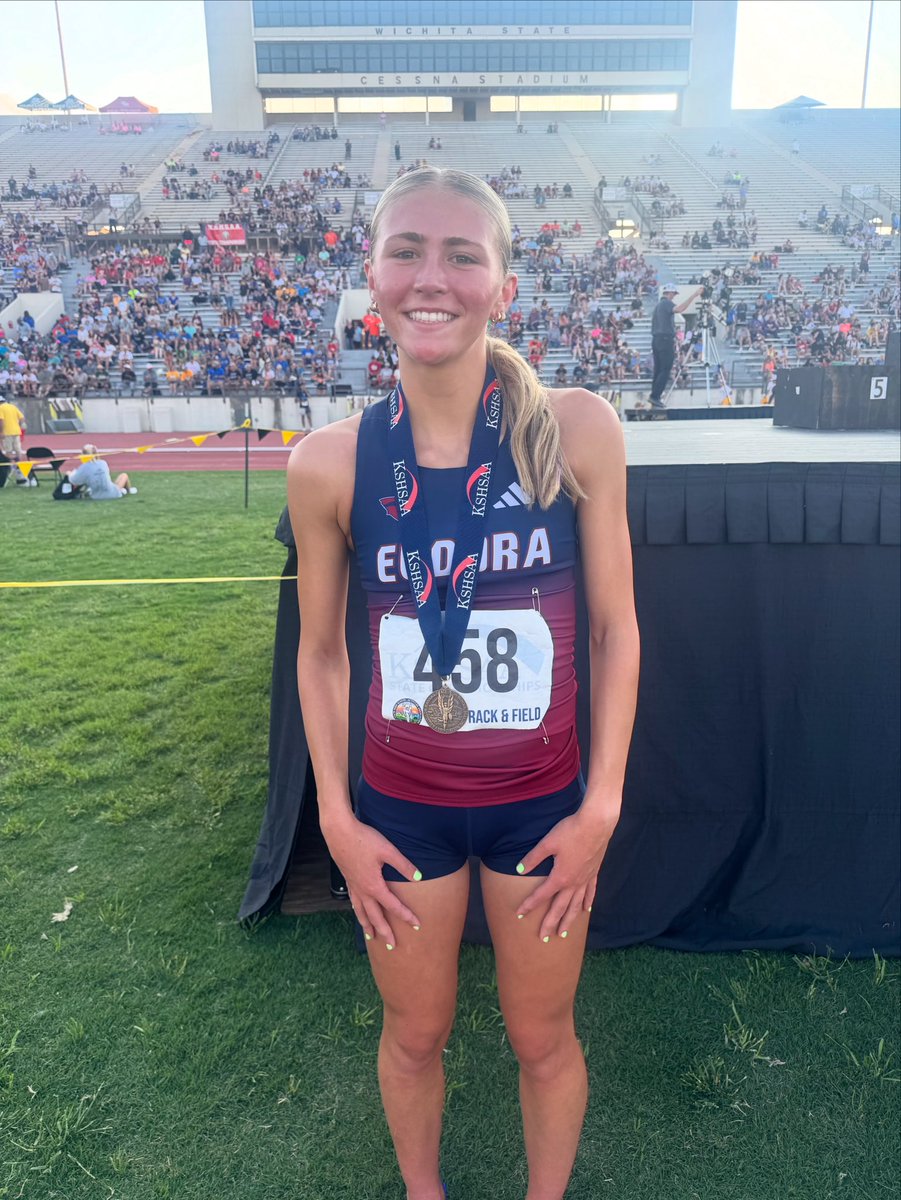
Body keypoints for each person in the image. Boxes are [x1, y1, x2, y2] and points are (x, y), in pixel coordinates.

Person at [286, 167, 640, 1200]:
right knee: (415, 1035)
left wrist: (603, 805)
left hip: (544, 810)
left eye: (460, 255)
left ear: (502, 287)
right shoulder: (330, 464)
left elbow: (617, 630)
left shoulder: (575, 431)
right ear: (371, 276)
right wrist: (338, 822)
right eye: (405, 250)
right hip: (402, 817)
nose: (428, 276)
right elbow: (320, 654)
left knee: (540, 1037)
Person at [649, 284, 703, 409]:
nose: (674, 296)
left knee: (659, 369)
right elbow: (680, 309)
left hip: (657, 340)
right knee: (665, 369)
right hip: (664, 340)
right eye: (673, 294)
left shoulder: (659, 305)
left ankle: (654, 395)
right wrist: (694, 295)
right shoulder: (666, 303)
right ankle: (655, 396)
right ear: (670, 293)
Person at [63, 445, 136, 499]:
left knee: (118, 480)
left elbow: (74, 481)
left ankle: (125, 490)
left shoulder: (83, 467)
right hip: (112, 493)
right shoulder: (103, 463)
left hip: (96, 496)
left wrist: (69, 474)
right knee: (124, 475)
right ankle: (129, 490)